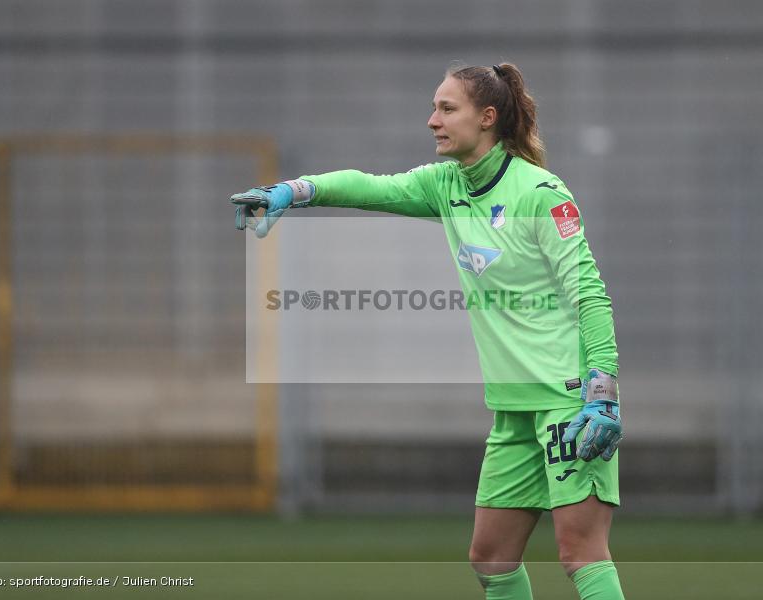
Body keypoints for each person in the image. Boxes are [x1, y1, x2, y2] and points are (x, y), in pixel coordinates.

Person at [231, 62, 625, 600]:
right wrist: (293, 191)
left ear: (487, 118)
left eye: (446, 109)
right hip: (514, 407)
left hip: (568, 399)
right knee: (491, 559)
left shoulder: (540, 193)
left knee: (580, 553)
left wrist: (601, 392)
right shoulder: (447, 185)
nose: (432, 120)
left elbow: (590, 294)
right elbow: (367, 187)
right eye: (434, 108)